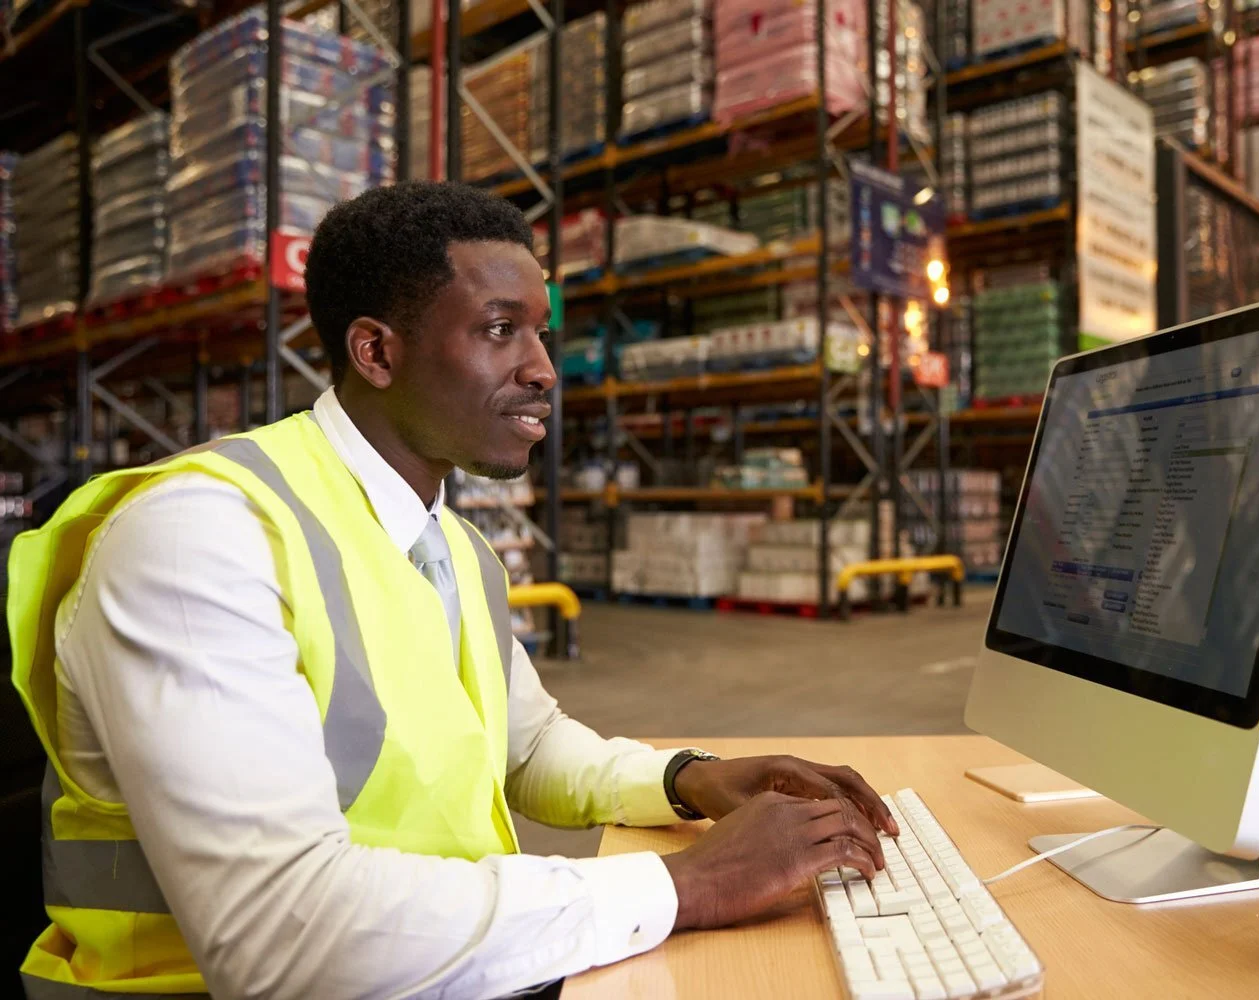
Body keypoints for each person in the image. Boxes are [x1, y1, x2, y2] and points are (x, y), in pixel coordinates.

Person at [8, 182, 898, 999]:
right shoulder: (202, 537)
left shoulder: (451, 547)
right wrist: (687, 883)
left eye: (540, 331)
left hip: (432, 971)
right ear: (376, 351)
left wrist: (688, 779)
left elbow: (524, 743)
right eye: (500, 330)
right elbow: (273, 936)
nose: (546, 369)